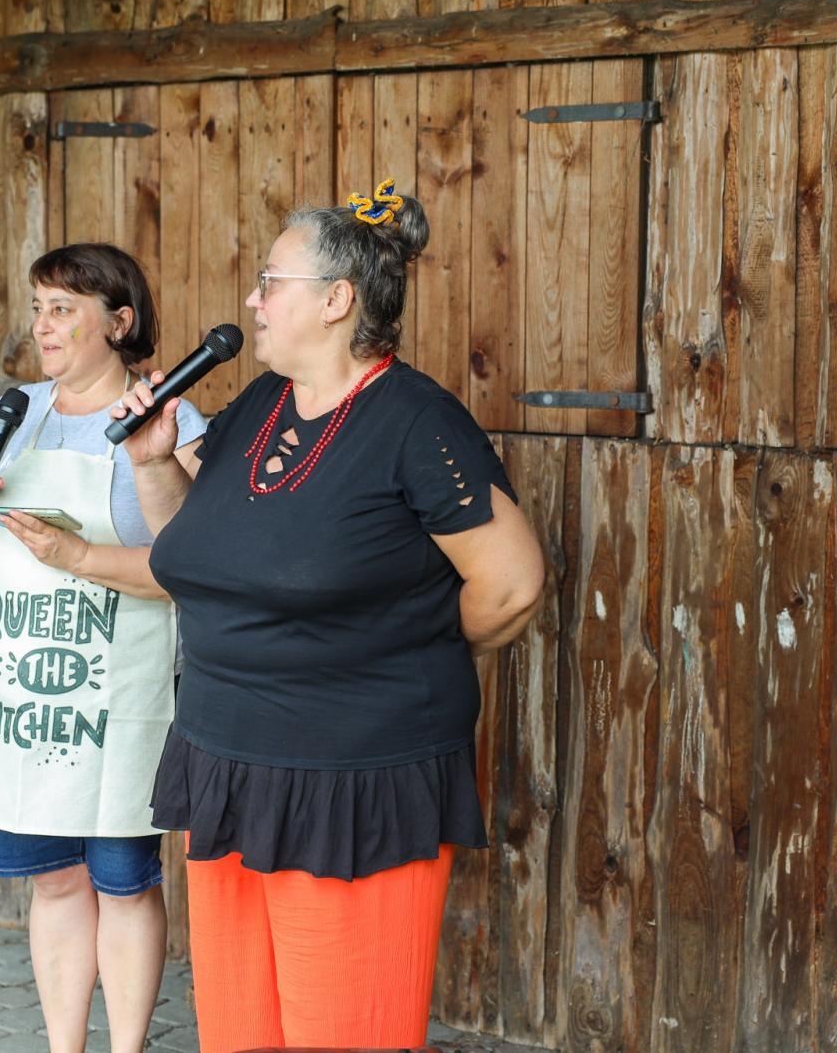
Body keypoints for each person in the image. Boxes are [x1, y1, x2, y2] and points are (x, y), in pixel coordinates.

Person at [112, 180, 546, 1051]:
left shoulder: (420, 424)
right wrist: (156, 462)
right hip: (227, 761)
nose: (252, 300)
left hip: (354, 776)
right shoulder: (257, 409)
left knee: (344, 1030)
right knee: (240, 1032)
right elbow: (190, 553)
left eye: (270, 281)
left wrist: (389, 649)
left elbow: (510, 587)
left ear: (337, 300)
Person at [0, 243, 207, 1053]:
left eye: (63, 309)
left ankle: (125, 1047)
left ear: (118, 323)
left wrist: (78, 558)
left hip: (119, 694)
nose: (42, 326)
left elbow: (194, 568)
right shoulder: (6, 417)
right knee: (53, 879)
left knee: (124, 883)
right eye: (37, 308)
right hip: (26, 693)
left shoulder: (172, 421)